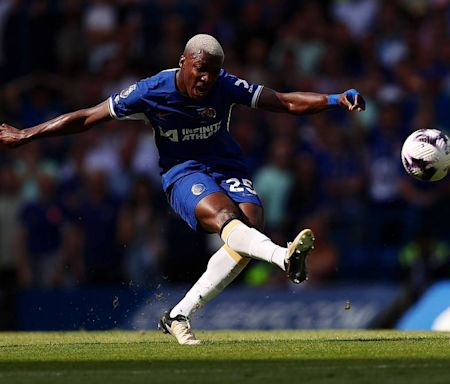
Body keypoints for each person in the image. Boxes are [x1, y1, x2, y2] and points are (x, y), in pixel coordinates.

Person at [0, 34, 365, 344]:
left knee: (248, 225)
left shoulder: (226, 85)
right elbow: (86, 117)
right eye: (199, 69)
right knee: (227, 219)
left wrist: (334, 99)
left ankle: (177, 315)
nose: (205, 78)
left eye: (212, 71)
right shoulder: (150, 91)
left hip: (226, 167)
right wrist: (27, 134)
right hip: (183, 173)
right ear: (183, 63)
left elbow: (285, 101)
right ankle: (282, 257)